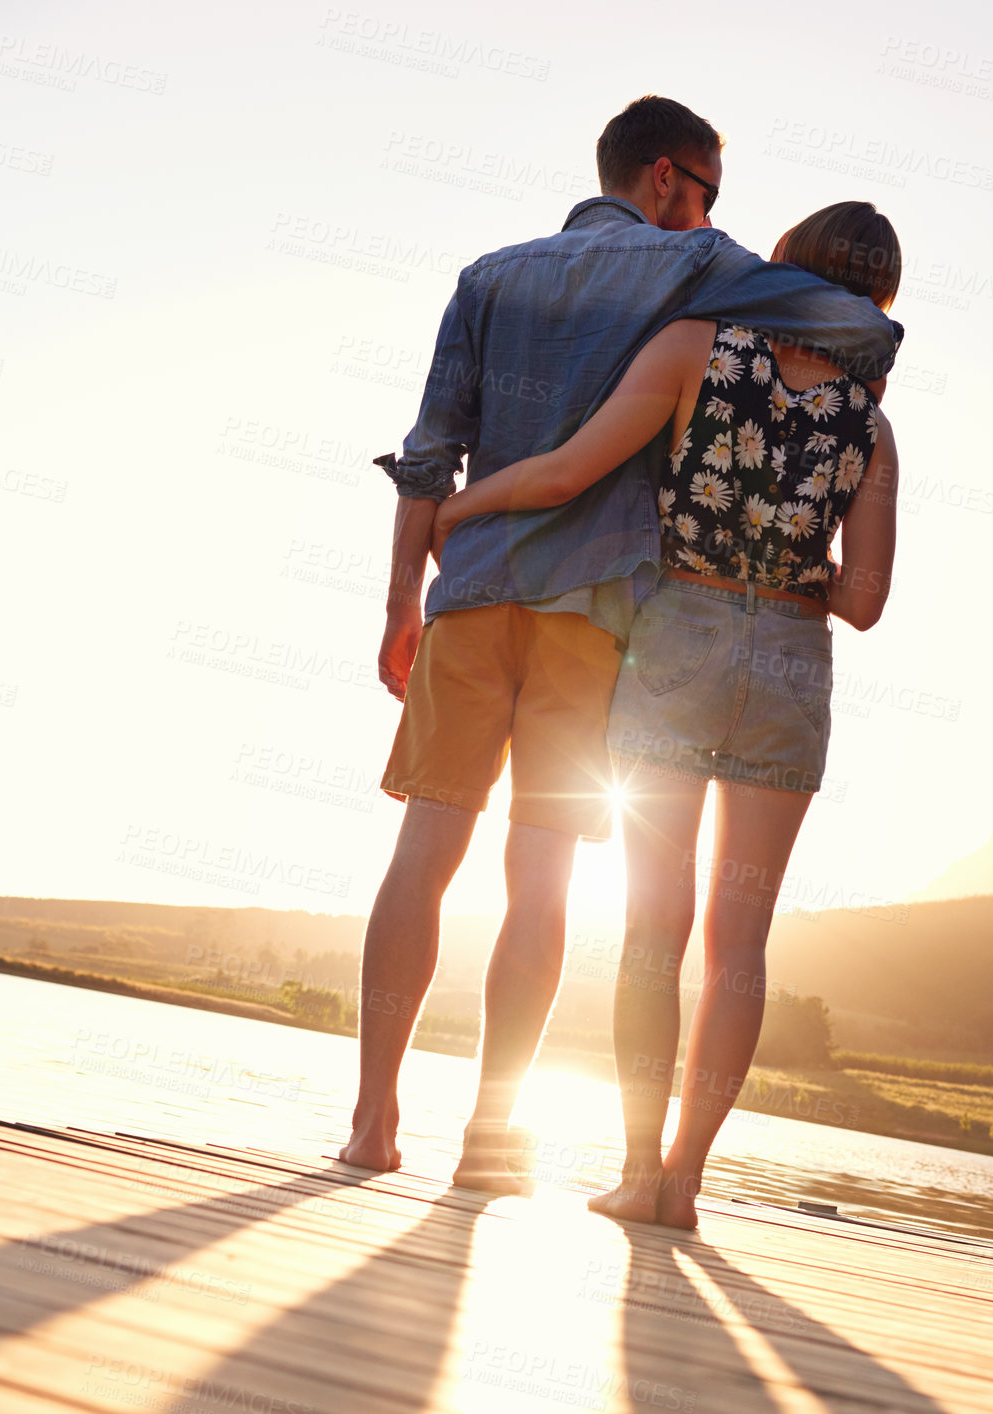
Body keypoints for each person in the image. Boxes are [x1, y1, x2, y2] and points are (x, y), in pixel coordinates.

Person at [340, 95, 903, 1193]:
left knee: (434, 859)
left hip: (514, 596)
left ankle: (373, 1125)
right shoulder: (706, 279)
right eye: (706, 198)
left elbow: (431, 454)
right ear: (664, 179)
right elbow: (856, 339)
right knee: (555, 883)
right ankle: (518, 1149)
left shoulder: (493, 276)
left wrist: (408, 588)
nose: (709, 221)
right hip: (607, 615)